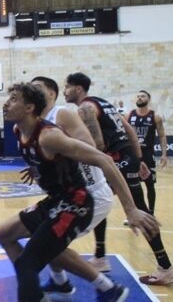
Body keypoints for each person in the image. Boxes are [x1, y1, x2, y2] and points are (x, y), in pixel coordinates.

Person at [0, 82, 159, 302]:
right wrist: (39, 168)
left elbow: (104, 160)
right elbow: (49, 160)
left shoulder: (49, 135)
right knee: (3, 233)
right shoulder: (19, 131)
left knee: (29, 261)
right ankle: (86, 287)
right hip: (57, 200)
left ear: (29, 108)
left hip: (77, 202)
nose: (6, 103)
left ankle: (76, 289)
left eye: (13, 98)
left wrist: (131, 210)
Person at [64, 72, 173, 285]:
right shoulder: (103, 103)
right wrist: (139, 159)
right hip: (126, 158)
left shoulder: (85, 108)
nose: (64, 91)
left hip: (116, 161)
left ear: (78, 89)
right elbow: (130, 131)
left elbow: (96, 144)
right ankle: (100, 258)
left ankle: (165, 267)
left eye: (67, 87)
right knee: (104, 200)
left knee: (134, 210)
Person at [30, 77, 128, 298]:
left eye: (38, 88)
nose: (32, 92)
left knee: (47, 243)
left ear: (52, 94)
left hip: (91, 193)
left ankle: (108, 288)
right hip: (70, 195)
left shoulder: (61, 114)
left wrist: (60, 147)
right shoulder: (37, 123)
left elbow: (92, 147)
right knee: (42, 236)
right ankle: (60, 282)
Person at [127, 90, 168, 216]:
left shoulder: (155, 116)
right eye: (138, 96)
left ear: (148, 100)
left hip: (148, 155)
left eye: (142, 96)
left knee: (150, 185)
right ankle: (134, 213)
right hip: (133, 156)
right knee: (132, 186)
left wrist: (164, 154)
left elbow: (161, 136)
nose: (139, 98)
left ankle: (150, 213)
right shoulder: (129, 115)